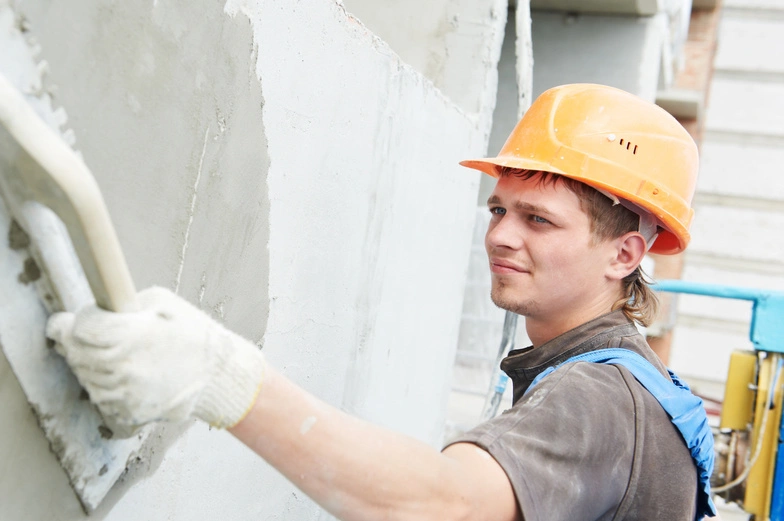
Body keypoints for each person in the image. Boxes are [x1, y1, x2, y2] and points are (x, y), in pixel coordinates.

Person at [47, 83, 715, 520]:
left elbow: (441, 504)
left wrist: (221, 374)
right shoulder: (610, 383)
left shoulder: (598, 402)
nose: (501, 236)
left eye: (538, 220)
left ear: (625, 254)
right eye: (499, 209)